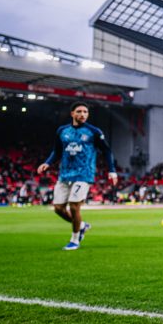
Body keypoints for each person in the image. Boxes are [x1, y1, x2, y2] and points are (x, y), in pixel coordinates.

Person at [37, 102, 118, 250]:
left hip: (83, 173)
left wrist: (112, 170)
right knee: (58, 209)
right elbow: (57, 151)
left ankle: (75, 240)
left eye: (85, 112)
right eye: (79, 112)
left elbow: (106, 151)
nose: (83, 114)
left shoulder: (94, 131)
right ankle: (81, 226)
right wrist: (48, 163)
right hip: (65, 174)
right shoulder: (62, 130)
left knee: (74, 206)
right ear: (72, 114)